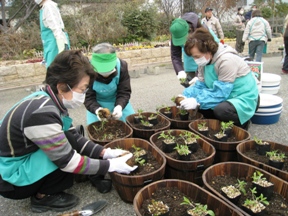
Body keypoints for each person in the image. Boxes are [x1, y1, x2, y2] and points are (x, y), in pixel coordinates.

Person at [0, 50, 137, 213]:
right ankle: (42, 197)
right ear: (62, 86)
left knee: (69, 140)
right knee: (66, 155)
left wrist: (105, 153)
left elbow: (74, 137)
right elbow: (68, 161)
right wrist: (110, 165)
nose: (84, 95)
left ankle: (45, 187)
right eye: (82, 89)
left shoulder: (48, 98)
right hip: (11, 181)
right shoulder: (42, 114)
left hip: (21, 160)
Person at [179, 27, 259, 130]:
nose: (195, 60)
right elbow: (201, 84)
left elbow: (221, 93)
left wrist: (197, 101)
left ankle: (242, 123)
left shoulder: (226, 60)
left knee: (221, 111)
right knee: (200, 108)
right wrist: (185, 95)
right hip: (227, 95)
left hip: (243, 98)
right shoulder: (204, 61)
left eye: (197, 56)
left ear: (208, 50)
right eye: (193, 57)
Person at [84, 43, 135, 124]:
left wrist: (119, 107)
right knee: (96, 129)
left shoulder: (122, 66)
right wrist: (97, 110)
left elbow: (124, 92)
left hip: (118, 100)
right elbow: (88, 97)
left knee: (132, 123)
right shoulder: (87, 70)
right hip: (96, 103)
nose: (105, 73)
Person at [170, 12, 220, 88]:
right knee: (191, 88)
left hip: (206, 62)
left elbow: (212, 52)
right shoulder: (177, 30)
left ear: (189, 31)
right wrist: (180, 71)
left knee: (207, 87)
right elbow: (175, 55)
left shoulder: (202, 32)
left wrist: (198, 75)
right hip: (189, 65)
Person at [35, 0, 70, 68]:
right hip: (50, 44)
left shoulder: (49, 6)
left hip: (56, 44)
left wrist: (61, 48)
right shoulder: (44, 7)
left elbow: (56, 26)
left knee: (59, 72)